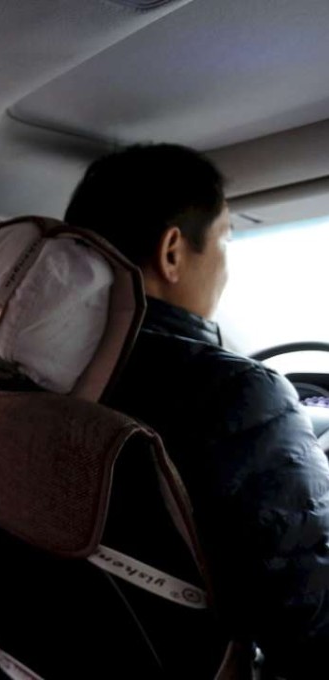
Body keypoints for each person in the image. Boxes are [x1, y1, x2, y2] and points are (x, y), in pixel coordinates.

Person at [64, 143, 329, 678]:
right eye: (226, 241)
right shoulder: (236, 393)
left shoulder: (48, 372)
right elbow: (309, 614)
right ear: (172, 252)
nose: (226, 269)